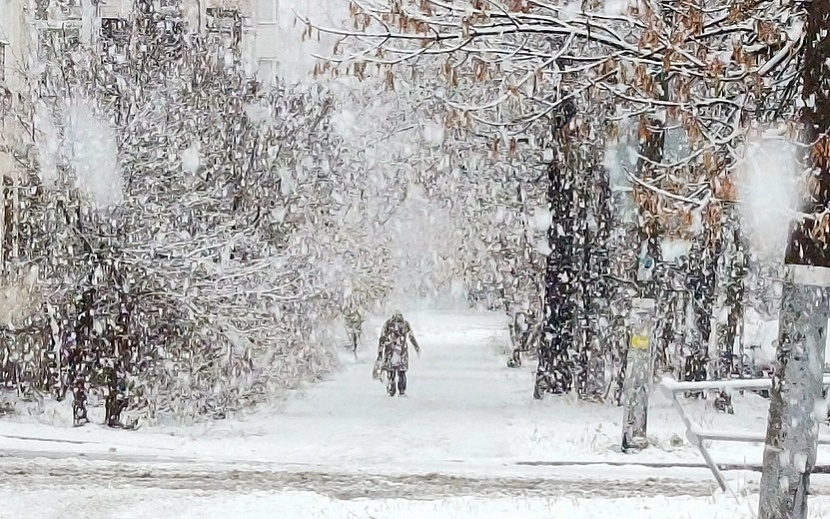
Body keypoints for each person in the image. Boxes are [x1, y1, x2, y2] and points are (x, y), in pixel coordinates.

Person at [374, 311, 421, 397]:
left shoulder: (388, 324)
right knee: (402, 372)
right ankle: (401, 390)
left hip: (390, 351)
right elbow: (411, 336)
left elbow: (382, 339)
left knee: (391, 371)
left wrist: (380, 352)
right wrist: (416, 346)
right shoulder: (405, 324)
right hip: (402, 352)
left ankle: (392, 388)